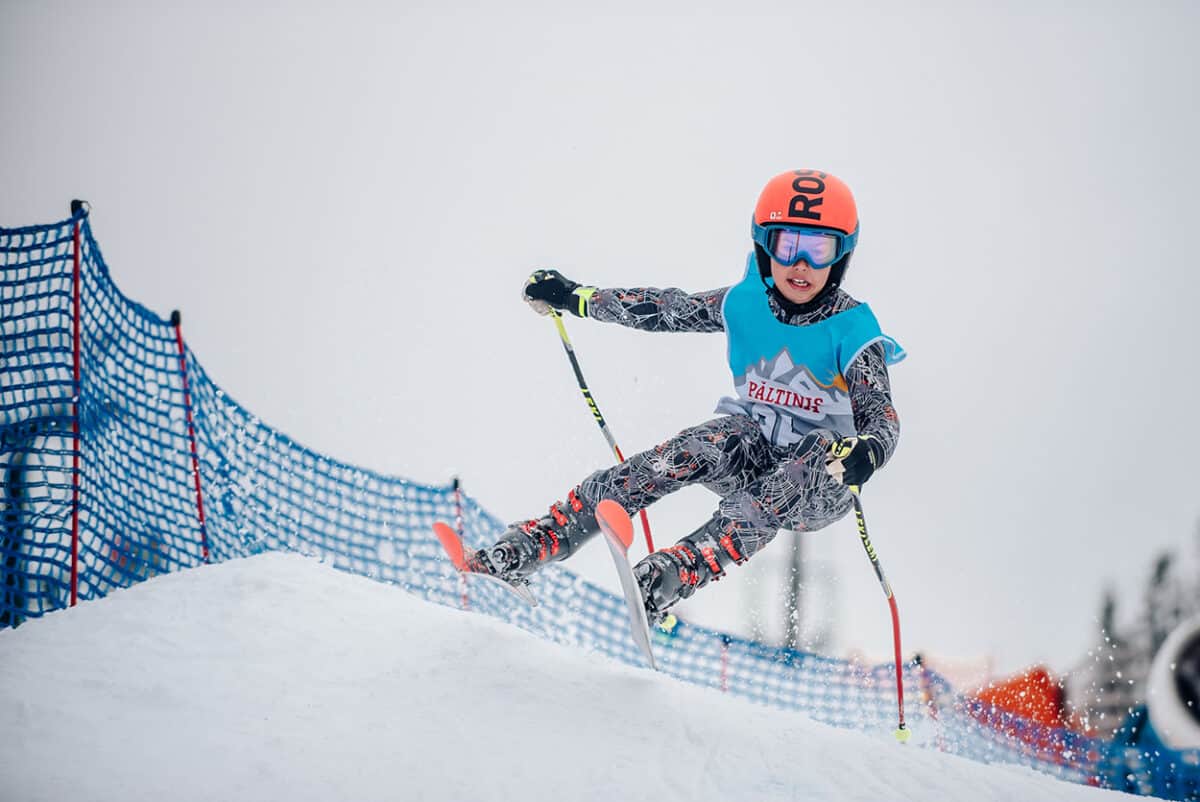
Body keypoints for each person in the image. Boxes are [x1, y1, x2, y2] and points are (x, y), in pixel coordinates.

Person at [471, 169, 905, 622]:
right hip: (754, 452)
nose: (802, 266)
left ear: (841, 258)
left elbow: (881, 413)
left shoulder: (852, 330)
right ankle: (542, 539)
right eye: (787, 247)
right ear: (764, 247)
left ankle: (676, 572)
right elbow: (664, 310)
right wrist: (577, 297)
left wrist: (869, 451)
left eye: (819, 251)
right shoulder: (745, 303)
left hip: (821, 483)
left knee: (810, 456)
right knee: (709, 441)